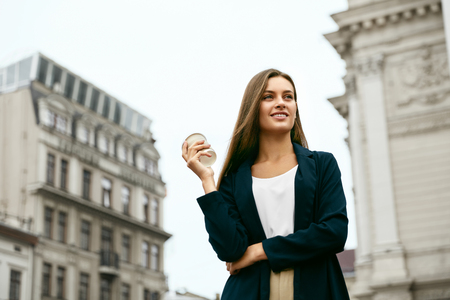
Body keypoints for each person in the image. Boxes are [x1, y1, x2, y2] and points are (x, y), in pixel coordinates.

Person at [182, 69, 350, 300]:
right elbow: (230, 250)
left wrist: (258, 251)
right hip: (249, 291)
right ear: (253, 108)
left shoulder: (322, 164)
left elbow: (334, 232)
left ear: (295, 108)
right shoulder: (234, 179)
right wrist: (208, 181)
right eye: (269, 97)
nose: (281, 103)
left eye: (288, 97)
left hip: (315, 287)